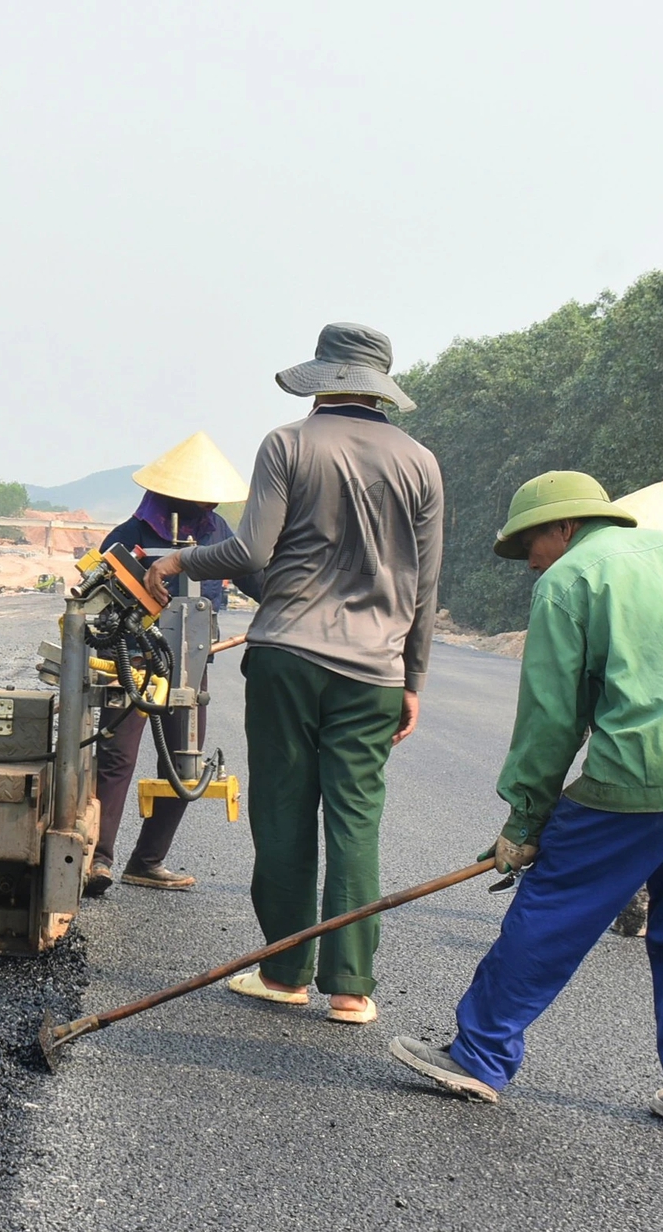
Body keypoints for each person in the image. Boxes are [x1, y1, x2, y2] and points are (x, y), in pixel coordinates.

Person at [389, 471, 663, 1135]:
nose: (528, 557)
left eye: (531, 540)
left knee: (554, 906)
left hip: (643, 774)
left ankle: (478, 1056)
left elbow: (550, 722)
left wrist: (526, 822)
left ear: (566, 527)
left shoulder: (567, 581)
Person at [147, 323, 442, 1025]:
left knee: (283, 813)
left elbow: (251, 549)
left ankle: (284, 972)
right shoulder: (422, 462)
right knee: (356, 821)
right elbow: (426, 587)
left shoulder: (289, 443)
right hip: (375, 670)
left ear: (323, 380)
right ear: (378, 387)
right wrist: (414, 682)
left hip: (289, 655)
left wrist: (176, 561)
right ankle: (352, 988)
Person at [87, 432, 263, 895]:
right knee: (116, 757)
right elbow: (95, 595)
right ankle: (97, 859)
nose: (201, 504)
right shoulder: (131, 534)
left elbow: (256, 578)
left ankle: (147, 860)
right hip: (131, 660)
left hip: (189, 661)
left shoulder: (218, 532)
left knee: (185, 762)